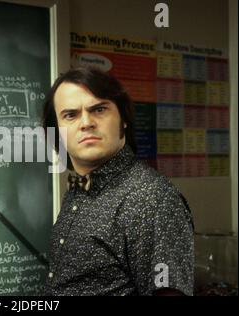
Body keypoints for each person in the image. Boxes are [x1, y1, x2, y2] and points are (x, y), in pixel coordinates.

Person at [41, 66, 194, 296]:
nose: (86, 123)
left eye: (99, 109)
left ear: (123, 120)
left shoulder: (151, 199)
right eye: (70, 115)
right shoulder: (78, 189)